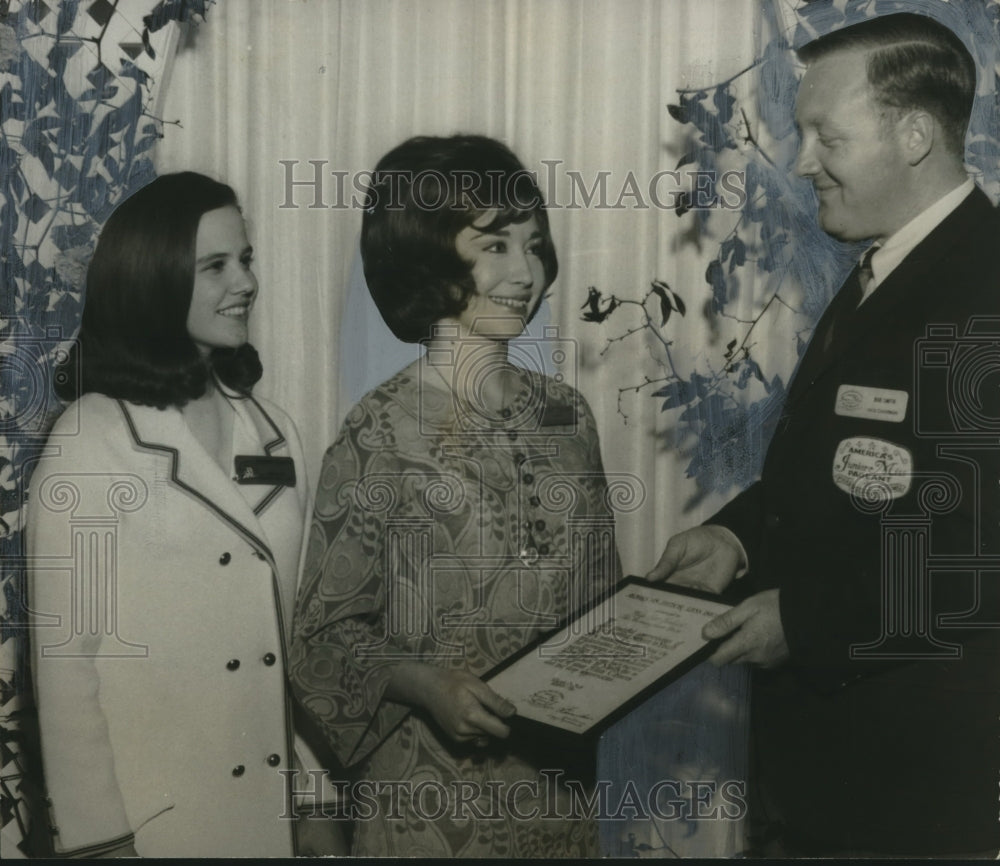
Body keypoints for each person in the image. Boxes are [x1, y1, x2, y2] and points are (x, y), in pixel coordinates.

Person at [647, 12, 1000, 858]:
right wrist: (735, 537)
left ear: (913, 135)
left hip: (913, 797)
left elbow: (979, 548)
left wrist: (808, 621)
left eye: (822, 137)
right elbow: (856, 471)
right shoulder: (891, 269)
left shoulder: (984, 288)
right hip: (834, 780)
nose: (802, 163)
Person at [289, 134, 622, 858]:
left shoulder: (568, 414)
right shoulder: (377, 433)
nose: (525, 271)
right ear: (426, 256)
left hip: (562, 801)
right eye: (495, 246)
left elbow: (602, 603)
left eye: (534, 246)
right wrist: (424, 683)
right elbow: (322, 644)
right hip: (428, 810)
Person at [27, 172, 342, 857]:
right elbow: (66, 666)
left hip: (272, 817)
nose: (247, 282)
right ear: (154, 279)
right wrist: (101, 843)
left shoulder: (276, 431)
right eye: (216, 265)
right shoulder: (91, 438)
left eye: (246, 259)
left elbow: (290, 647)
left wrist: (315, 795)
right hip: (155, 824)